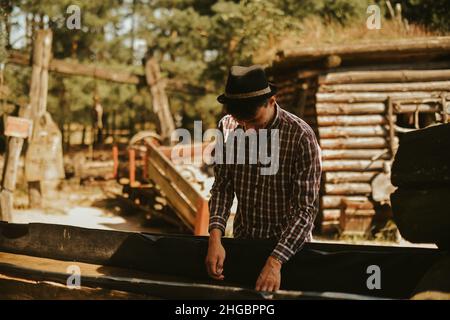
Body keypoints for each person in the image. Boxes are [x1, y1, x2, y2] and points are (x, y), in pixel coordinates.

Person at [205, 65, 322, 292]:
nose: (248, 129)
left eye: (254, 120)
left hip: (290, 252)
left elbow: (304, 211)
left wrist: (275, 261)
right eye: (242, 122)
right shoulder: (227, 127)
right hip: (244, 243)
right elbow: (222, 187)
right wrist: (215, 238)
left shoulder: (301, 137)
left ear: (271, 101)